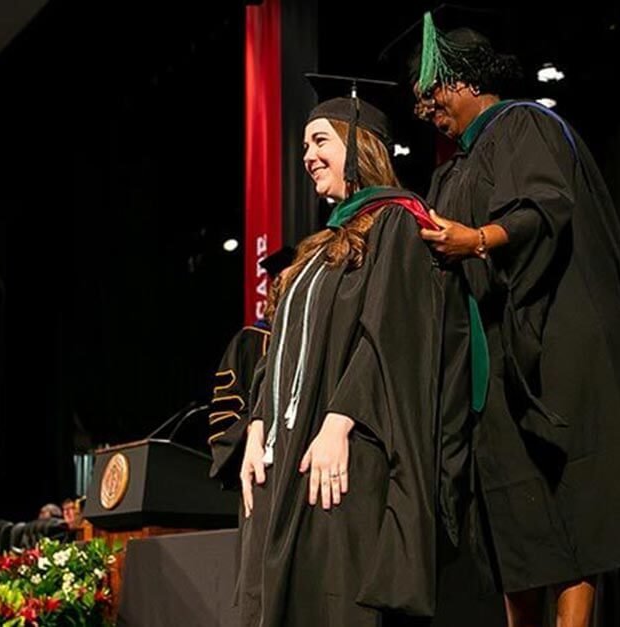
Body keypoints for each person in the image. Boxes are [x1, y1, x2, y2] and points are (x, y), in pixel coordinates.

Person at [396, 11, 620, 627]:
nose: (426, 106)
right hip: (495, 371)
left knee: (572, 519)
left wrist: (478, 239)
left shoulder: (525, 126)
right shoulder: (453, 168)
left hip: (551, 359)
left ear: (463, 80)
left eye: (431, 91)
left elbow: (544, 207)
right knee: (517, 526)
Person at [236, 75, 452, 627]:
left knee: (331, 599)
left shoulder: (398, 223)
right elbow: (279, 349)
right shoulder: (318, 249)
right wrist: (258, 426)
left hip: (346, 447)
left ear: (359, 144)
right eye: (304, 145)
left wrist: (339, 422)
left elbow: (394, 331)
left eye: (320, 141)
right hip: (286, 454)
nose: (307, 156)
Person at [208, 246, 295, 491]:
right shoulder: (249, 341)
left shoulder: (318, 338)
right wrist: (252, 433)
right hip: (261, 467)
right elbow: (225, 409)